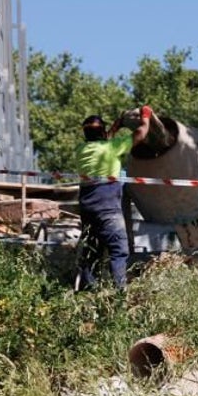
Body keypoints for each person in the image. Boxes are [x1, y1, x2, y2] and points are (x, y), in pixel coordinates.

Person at [72, 106, 152, 290]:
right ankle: (119, 294)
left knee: (92, 251)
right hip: (107, 207)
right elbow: (140, 133)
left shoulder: (81, 150)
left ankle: (88, 292)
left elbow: (103, 140)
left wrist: (116, 125)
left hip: (87, 208)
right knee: (119, 250)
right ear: (102, 132)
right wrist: (146, 116)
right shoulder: (112, 147)